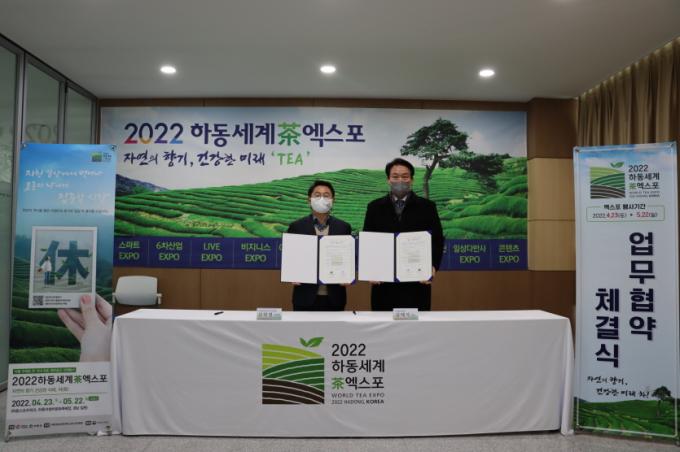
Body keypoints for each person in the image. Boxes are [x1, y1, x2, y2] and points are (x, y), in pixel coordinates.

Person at [363, 158, 444, 311]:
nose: (400, 180)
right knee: (383, 323)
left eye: (405, 176)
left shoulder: (427, 207)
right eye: (395, 176)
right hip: (383, 284)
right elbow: (368, 241)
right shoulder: (374, 207)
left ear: (411, 180)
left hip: (417, 283)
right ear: (388, 180)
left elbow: (437, 240)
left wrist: (432, 266)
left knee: (416, 324)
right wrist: (371, 270)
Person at [287, 180, 352, 311]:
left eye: (326, 195)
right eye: (317, 195)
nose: (322, 198)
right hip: (304, 297)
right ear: (309, 200)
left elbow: (349, 258)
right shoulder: (296, 226)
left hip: (335, 297)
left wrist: (348, 275)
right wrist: (291, 273)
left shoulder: (343, 227)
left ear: (333, 200)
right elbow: (290, 258)